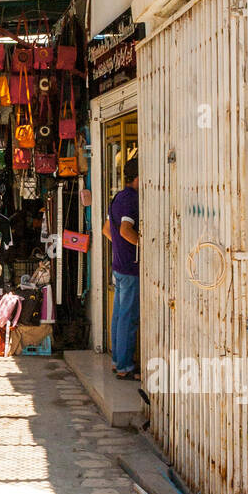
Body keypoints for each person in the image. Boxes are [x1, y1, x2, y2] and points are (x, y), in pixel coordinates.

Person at [102, 156, 140, 380]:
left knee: (119, 315)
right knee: (128, 317)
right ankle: (125, 366)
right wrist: (143, 246)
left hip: (119, 265)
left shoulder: (118, 197)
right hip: (130, 267)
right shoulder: (131, 199)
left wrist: (119, 248)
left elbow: (107, 229)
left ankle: (118, 361)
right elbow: (126, 230)